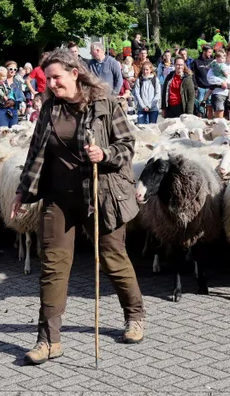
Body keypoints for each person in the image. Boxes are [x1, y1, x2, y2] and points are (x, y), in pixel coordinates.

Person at [11, 49, 145, 365]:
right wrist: (21, 192)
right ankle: (48, 340)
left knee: (113, 258)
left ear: (75, 73)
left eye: (57, 77)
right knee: (53, 266)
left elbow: (127, 146)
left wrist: (106, 154)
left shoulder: (106, 104)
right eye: (48, 79)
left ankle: (135, 314)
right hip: (59, 199)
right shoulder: (50, 109)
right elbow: (35, 154)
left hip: (101, 194)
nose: (52, 83)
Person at [206, 44, 230, 122]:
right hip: (219, 93)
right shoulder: (217, 63)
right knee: (219, 121)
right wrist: (221, 82)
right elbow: (209, 77)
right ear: (228, 53)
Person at [192, 45, 215, 117]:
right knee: (200, 109)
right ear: (204, 52)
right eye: (209, 52)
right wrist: (196, 87)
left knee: (210, 109)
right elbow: (193, 75)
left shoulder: (213, 61)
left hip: (210, 88)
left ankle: (210, 126)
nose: (210, 54)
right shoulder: (196, 62)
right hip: (200, 88)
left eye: (211, 52)